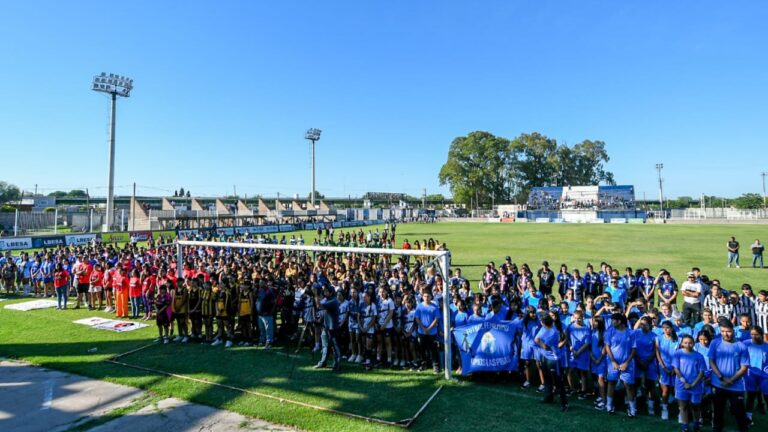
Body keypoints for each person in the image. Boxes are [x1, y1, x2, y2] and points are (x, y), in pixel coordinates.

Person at [708, 319, 749, 432]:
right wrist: (721, 377)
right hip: (718, 383)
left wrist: (730, 380)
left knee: (739, 410)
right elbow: (711, 361)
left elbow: (744, 367)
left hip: (735, 386)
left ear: (733, 330)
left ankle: (743, 428)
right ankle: (717, 429)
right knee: (718, 410)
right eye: (723, 331)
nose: (726, 334)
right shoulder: (715, 343)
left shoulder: (741, 346)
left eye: (728, 331)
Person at [604, 312, 638, 417]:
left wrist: (626, 363)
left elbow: (634, 349)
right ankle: (609, 405)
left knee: (628, 385)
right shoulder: (610, 331)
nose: (612, 322)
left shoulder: (631, 333)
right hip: (612, 363)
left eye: (614, 320)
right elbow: (607, 347)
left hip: (627, 364)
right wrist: (613, 361)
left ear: (620, 321)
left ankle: (632, 408)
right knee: (611, 383)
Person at [672, 334, 707, 432]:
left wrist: (693, 384)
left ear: (694, 343)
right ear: (682, 343)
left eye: (690, 343)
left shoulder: (699, 356)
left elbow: (701, 372)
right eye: (685, 343)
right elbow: (676, 368)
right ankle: (685, 425)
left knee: (695, 405)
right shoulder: (678, 353)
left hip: (695, 385)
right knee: (683, 406)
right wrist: (684, 381)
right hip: (681, 385)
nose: (688, 345)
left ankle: (696, 423)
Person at [535, 314, 569, 411]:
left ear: (543, 323)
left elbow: (544, 345)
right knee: (547, 378)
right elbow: (539, 341)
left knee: (558, 381)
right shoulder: (544, 328)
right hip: (544, 356)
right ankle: (548, 397)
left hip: (553, 359)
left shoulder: (553, 332)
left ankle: (564, 403)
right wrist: (539, 342)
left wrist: (539, 342)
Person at [744, 326, 768, 424]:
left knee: (767, 396)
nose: (754, 336)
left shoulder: (766, 346)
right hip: (751, 375)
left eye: (756, 334)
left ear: (761, 334)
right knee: (751, 396)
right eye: (752, 334)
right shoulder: (746, 344)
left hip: (765, 376)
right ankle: (748, 418)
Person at [314, 284, 341, 371]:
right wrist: (317, 296)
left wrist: (316, 295)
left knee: (335, 347)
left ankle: (337, 364)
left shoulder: (334, 301)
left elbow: (320, 305)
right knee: (325, 346)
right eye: (324, 291)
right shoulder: (326, 299)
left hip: (332, 328)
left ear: (331, 292)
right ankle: (323, 362)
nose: (325, 293)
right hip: (326, 327)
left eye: (326, 291)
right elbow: (319, 305)